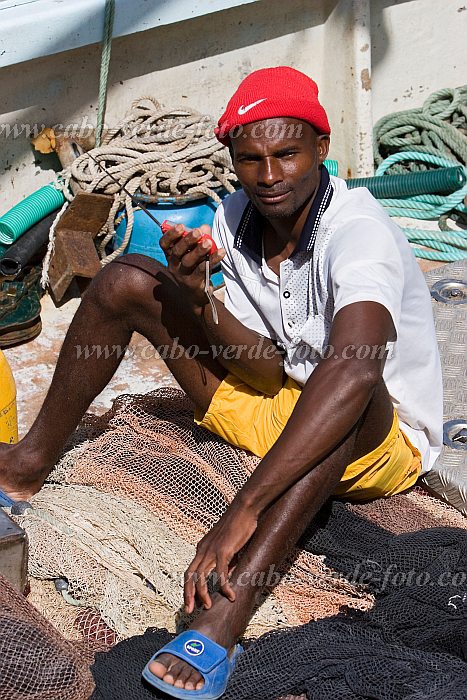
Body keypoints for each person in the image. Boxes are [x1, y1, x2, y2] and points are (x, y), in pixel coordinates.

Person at [0, 67, 442, 699]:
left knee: (345, 387)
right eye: (251, 160)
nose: (270, 176)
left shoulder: (358, 233)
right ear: (234, 162)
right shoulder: (236, 214)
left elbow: (353, 369)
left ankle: (227, 615)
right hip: (273, 402)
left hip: (373, 439)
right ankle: (23, 465)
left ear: (322, 148)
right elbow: (263, 364)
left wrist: (243, 508)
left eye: (288, 154)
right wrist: (196, 298)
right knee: (128, 277)